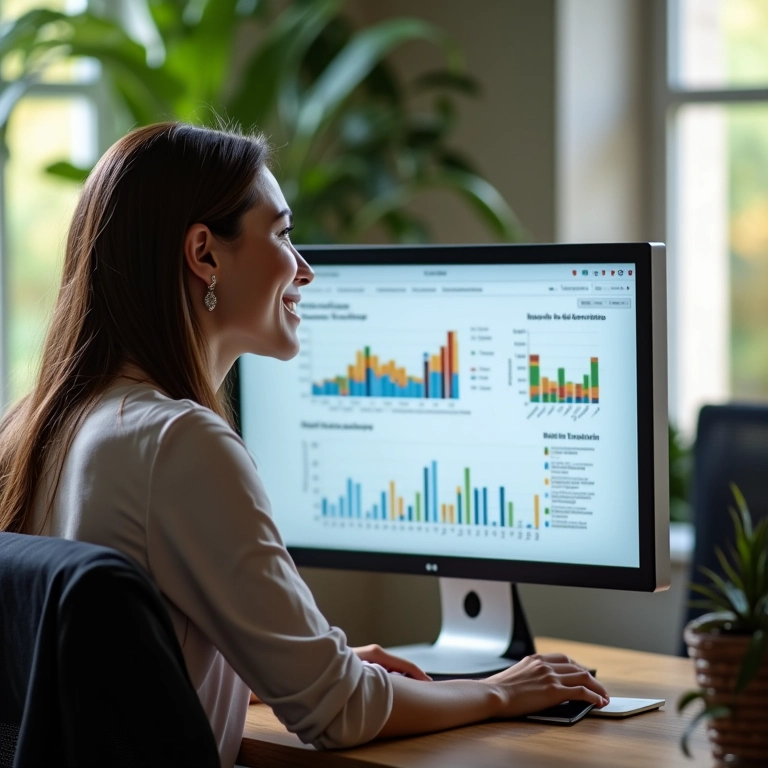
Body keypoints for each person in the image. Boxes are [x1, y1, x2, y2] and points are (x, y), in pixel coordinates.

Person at [0, 122, 609, 768]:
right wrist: (499, 691)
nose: (306, 270)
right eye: (283, 235)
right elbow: (337, 713)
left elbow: (111, 681)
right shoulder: (178, 444)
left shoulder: (34, 426)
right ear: (204, 254)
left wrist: (292, 664)